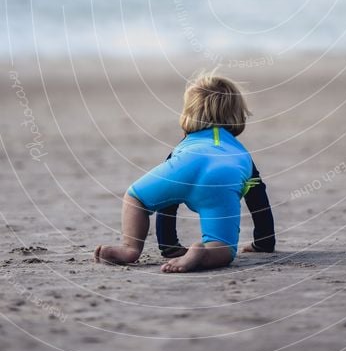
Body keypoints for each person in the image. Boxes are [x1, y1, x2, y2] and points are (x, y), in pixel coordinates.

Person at [94, 73, 276, 272]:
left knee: (135, 198)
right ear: (237, 114)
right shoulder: (239, 152)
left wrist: (169, 246)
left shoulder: (185, 146)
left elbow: (167, 203)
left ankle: (129, 249)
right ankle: (202, 251)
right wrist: (264, 243)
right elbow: (259, 201)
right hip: (223, 177)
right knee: (222, 249)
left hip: (187, 163)